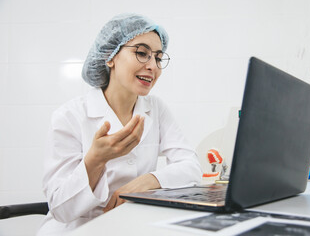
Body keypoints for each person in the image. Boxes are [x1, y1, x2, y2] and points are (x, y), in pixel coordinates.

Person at [37, 13, 202, 236]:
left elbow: (191, 166)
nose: (153, 66)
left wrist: (147, 181)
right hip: (77, 229)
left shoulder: (156, 108)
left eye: (158, 58)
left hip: (131, 225)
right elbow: (60, 209)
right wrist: (95, 160)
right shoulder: (70, 116)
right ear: (110, 57)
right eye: (142, 53)